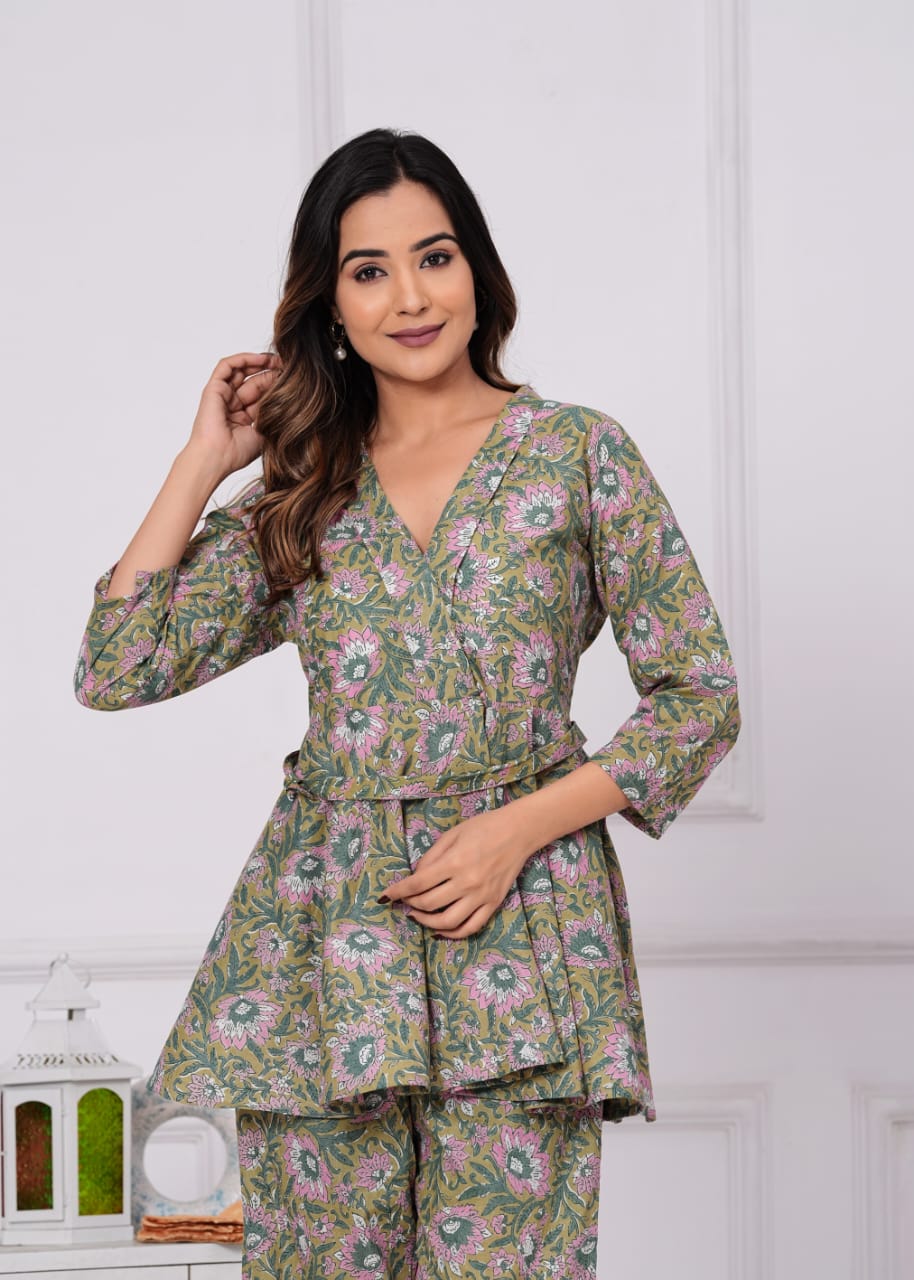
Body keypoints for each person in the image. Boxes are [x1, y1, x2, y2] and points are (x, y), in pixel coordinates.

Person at [74, 127, 741, 1279]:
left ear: (475, 267)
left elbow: (699, 694)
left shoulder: (577, 455)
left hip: (522, 938)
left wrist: (514, 828)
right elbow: (116, 663)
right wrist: (205, 459)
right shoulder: (306, 487)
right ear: (330, 305)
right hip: (321, 948)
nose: (410, 297)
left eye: (433, 257)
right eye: (368, 270)